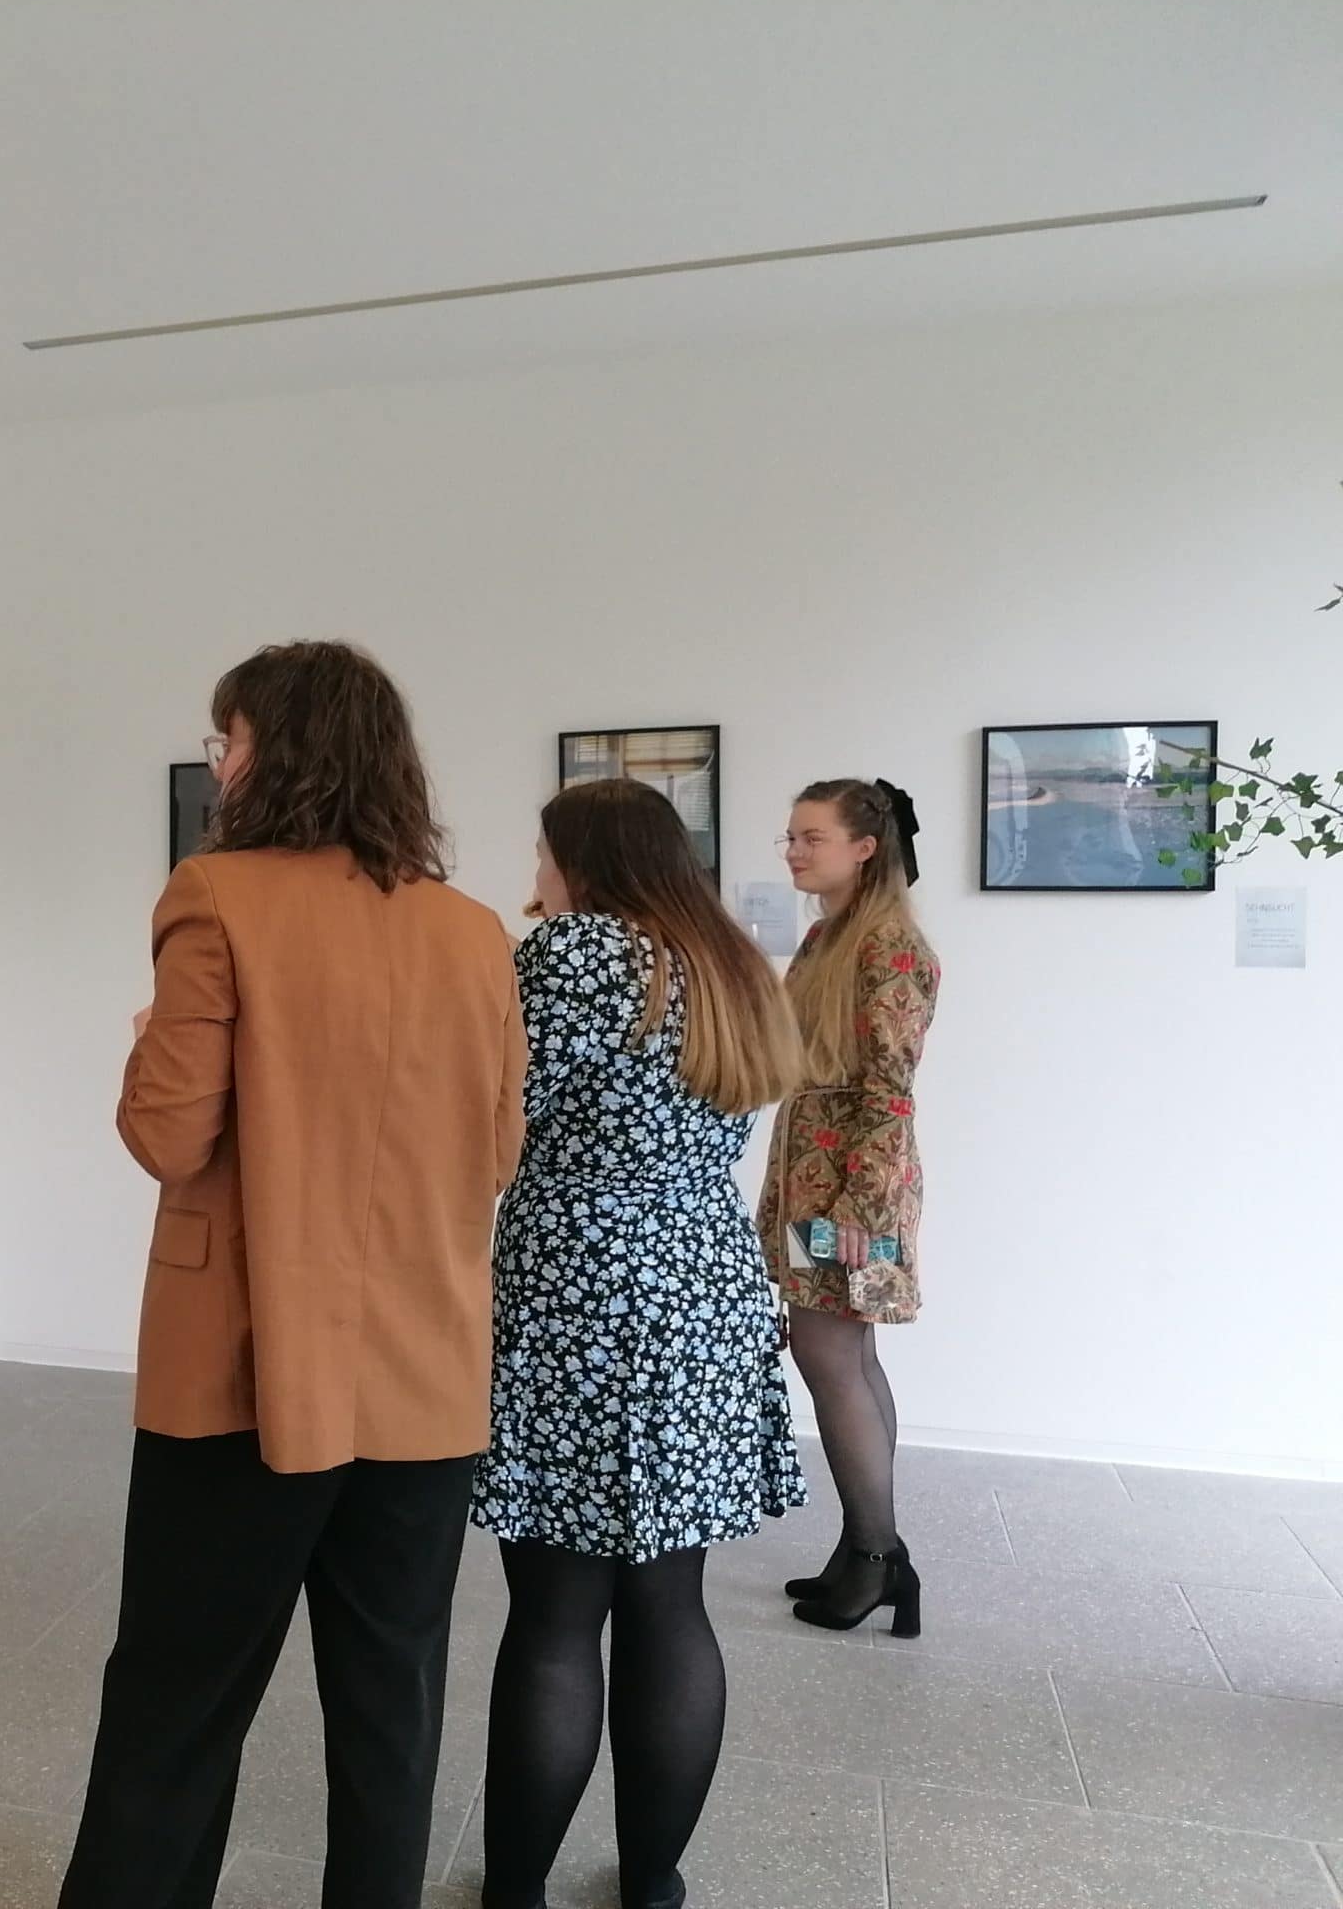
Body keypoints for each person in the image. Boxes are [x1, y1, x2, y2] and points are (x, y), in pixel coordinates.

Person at [58, 641, 528, 1909]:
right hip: (424, 1374)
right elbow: (497, 1152)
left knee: (175, 1702)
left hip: (241, 1366)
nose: (219, 764)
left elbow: (168, 1136)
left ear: (280, 753)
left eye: (230, 740)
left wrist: (149, 1042)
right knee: (390, 1712)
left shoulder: (214, 895)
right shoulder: (474, 932)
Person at [470, 779, 807, 1909]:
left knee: (555, 1617)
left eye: (543, 851)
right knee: (672, 1604)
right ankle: (653, 1882)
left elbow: (488, 1111)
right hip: (704, 1288)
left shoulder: (572, 956)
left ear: (584, 859)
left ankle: (516, 1891)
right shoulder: (729, 962)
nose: (536, 871)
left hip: (579, 1293)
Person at [760, 778, 940, 1636]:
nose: (794, 851)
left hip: (852, 1187)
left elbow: (890, 1090)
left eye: (812, 837)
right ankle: (869, 1545)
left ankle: (875, 1555)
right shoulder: (830, 935)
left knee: (829, 1352)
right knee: (846, 1353)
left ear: (865, 848)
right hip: (817, 1175)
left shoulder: (889, 946)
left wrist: (861, 1207)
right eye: (791, 837)